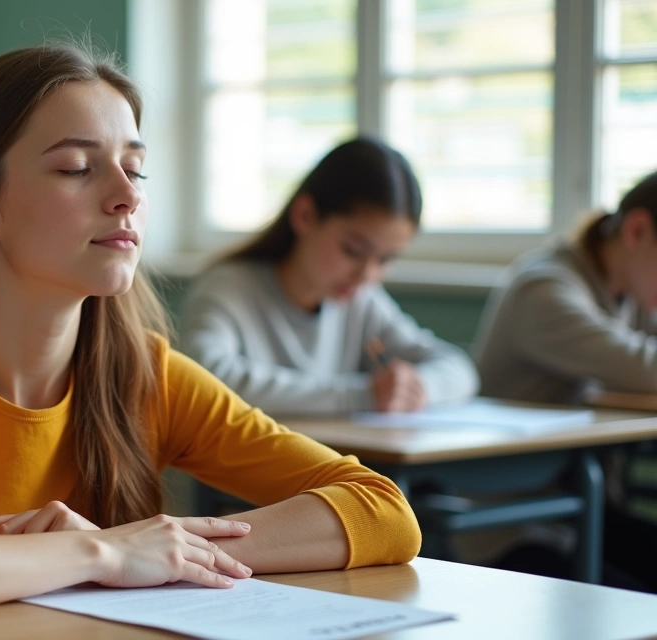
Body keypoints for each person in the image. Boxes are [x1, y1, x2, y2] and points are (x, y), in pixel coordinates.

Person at [0, 45, 421, 627]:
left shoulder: (146, 375)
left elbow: (384, 512)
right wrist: (100, 553)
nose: (126, 196)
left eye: (135, 169)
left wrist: (164, 549)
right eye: (76, 168)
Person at [180, 137, 479, 416]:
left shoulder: (362, 301)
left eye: (386, 259)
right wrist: (363, 396)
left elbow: (459, 369)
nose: (367, 274)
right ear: (305, 216)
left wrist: (416, 388)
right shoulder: (226, 289)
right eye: (354, 250)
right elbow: (204, 381)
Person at [474, 170, 657, 592]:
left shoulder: (630, 293)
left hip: (577, 510)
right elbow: (646, 367)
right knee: (635, 606)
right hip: (509, 524)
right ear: (638, 230)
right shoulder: (543, 288)